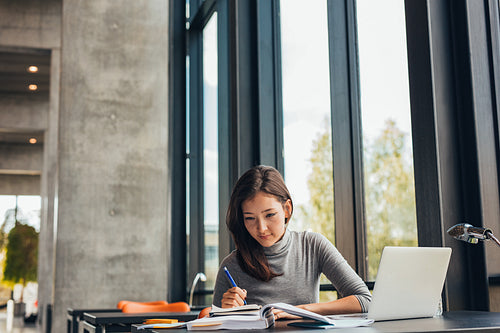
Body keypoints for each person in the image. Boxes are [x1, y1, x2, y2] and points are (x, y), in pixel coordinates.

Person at [212, 165, 372, 319]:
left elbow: (365, 300)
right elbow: (212, 324)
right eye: (250, 218)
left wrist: (302, 310)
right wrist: (225, 313)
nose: (261, 228)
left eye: (269, 215)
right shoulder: (232, 265)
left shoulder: (312, 246)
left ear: (287, 209)